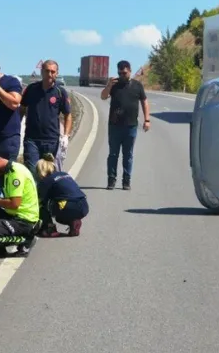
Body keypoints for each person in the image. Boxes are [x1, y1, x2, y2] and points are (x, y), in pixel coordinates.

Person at [100, 60, 150, 190]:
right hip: (114, 126)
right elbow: (103, 97)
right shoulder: (114, 85)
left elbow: (144, 102)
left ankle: (126, 181)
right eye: (119, 73)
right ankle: (111, 180)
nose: (122, 75)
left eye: (124, 73)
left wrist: (147, 120)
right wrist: (109, 85)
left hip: (131, 127)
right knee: (113, 155)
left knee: (128, 155)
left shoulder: (137, 85)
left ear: (129, 71)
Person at [19, 59, 72, 175]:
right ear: (41, 71)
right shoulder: (31, 89)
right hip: (32, 140)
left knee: (50, 175)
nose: (50, 74)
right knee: (33, 172)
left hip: (52, 141)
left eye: (53, 72)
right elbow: (22, 109)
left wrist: (66, 136)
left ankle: (47, 193)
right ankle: (35, 193)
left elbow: (68, 115)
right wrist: (17, 127)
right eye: (47, 71)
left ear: (57, 73)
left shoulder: (60, 92)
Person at [34, 153, 88, 237]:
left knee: (41, 205)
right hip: (83, 205)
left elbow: (38, 199)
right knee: (59, 207)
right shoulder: (64, 174)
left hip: (68, 206)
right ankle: (73, 221)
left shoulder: (46, 181)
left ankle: (50, 229)